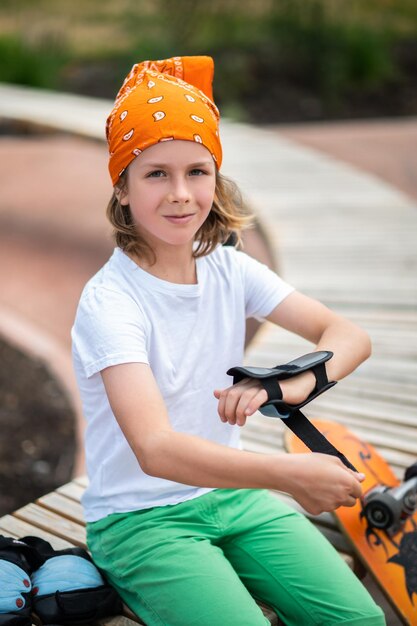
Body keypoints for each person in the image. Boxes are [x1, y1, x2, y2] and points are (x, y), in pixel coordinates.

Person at [71, 56, 385, 626]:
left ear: (216, 180)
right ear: (121, 188)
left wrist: (285, 388)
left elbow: (349, 336)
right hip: (139, 519)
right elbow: (156, 449)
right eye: (155, 173)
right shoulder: (109, 302)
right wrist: (291, 474)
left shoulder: (227, 268)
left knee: (358, 621)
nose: (181, 194)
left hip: (233, 497)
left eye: (197, 171)